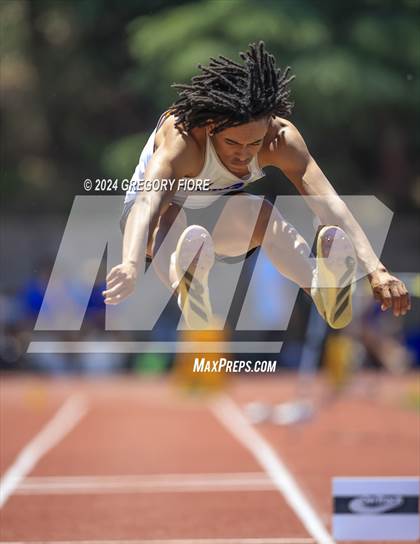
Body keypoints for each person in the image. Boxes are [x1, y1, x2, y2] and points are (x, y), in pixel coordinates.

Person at [102, 41, 410, 330]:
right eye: (232, 143)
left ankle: (320, 288)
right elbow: (147, 204)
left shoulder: (281, 139)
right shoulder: (182, 140)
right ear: (210, 128)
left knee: (261, 213)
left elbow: (328, 203)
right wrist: (130, 264)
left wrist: (376, 270)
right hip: (151, 222)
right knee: (171, 216)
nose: (244, 154)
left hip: (217, 218)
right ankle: (186, 286)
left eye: (254, 143)